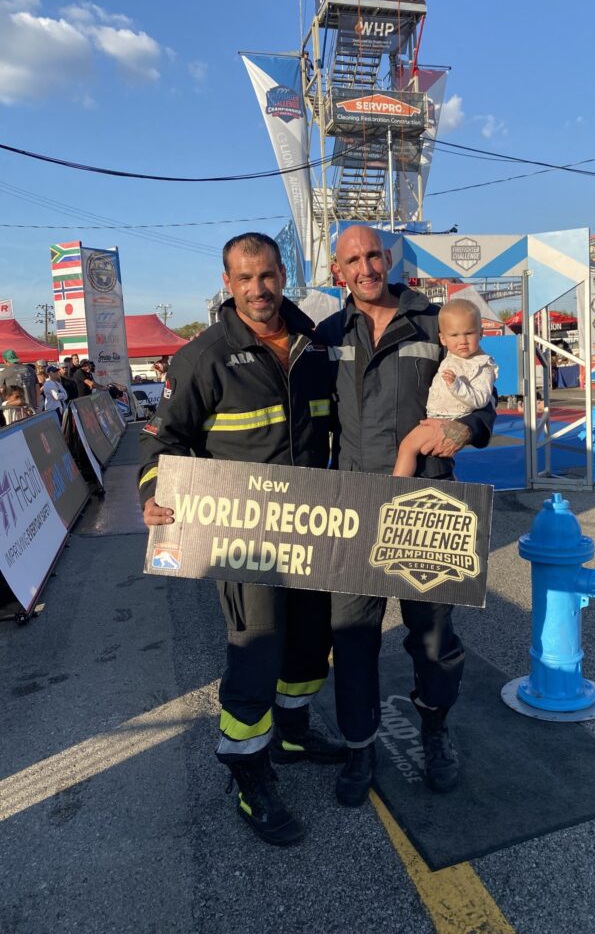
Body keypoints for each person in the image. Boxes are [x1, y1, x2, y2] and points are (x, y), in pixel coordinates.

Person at [138, 232, 343, 846]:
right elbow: (162, 441)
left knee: (309, 643)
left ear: (284, 274)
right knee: (256, 653)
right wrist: (155, 492)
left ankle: (293, 732)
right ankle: (249, 775)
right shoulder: (202, 357)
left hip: (313, 531)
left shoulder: (314, 345)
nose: (259, 289)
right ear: (228, 284)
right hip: (241, 537)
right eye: (245, 278)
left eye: (269, 275)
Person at [315, 225, 495, 808]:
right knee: (354, 638)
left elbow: (482, 396)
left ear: (388, 258)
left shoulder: (431, 321)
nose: (365, 267)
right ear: (337, 270)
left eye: (373, 255)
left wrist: (469, 429)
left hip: (429, 503)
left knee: (435, 637)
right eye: (352, 260)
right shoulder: (325, 334)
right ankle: (360, 744)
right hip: (354, 508)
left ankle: (435, 730)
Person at [393, 299, 497, 476]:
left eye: (469, 333)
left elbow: (483, 400)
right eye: (455, 335)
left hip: (445, 420)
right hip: (436, 417)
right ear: (443, 338)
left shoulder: (483, 365)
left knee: (408, 447)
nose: (462, 341)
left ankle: (394, 488)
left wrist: (457, 388)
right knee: (410, 448)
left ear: (481, 333)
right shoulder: (453, 355)